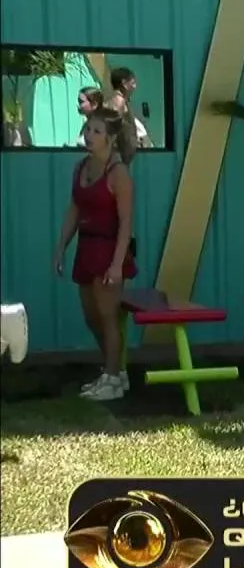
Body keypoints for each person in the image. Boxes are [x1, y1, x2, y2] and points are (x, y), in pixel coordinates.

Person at [54, 106, 138, 401]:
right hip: (86, 247)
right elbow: (75, 209)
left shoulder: (118, 173)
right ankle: (114, 370)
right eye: (88, 129)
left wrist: (116, 265)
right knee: (91, 317)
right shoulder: (81, 167)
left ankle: (112, 379)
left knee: (107, 316)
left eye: (97, 131)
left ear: (110, 138)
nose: (89, 135)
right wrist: (61, 248)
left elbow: (126, 222)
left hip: (109, 248)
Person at [107, 67, 149, 150]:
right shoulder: (119, 102)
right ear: (124, 84)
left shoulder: (117, 100)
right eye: (133, 83)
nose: (135, 87)